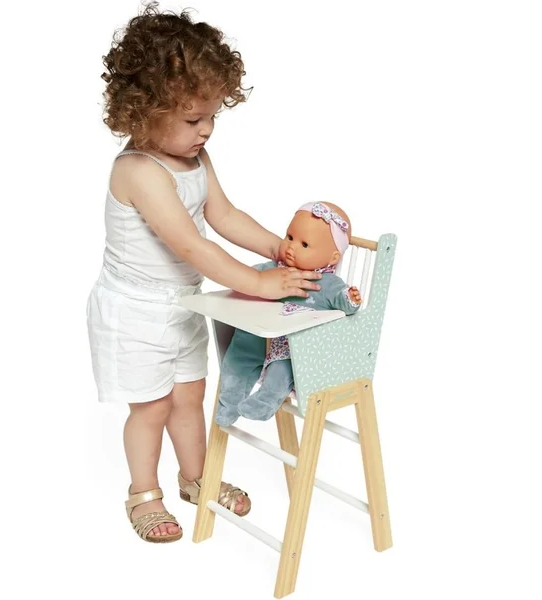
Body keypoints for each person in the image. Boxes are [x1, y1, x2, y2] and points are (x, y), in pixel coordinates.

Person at [86, 3, 322, 543]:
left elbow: (224, 215)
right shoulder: (138, 171)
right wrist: (258, 283)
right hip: (134, 312)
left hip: (183, 303)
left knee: (190, 397)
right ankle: (143, 493)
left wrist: (278, 249)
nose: (207, 130)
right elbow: (192, 245)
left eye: (213, 117)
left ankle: (197, 478)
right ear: (144, 112)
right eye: (194, 120)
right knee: (151, 407)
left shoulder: (195, 159)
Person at [216, 202, 362, 426]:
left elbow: (343, 303)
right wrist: (242, 281)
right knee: (238, 354)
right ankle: (229, 402)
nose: (291, 247)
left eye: (304, 244)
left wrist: (350, 298)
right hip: (261, 333)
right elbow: (250, 277)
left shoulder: (327, 283)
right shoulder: (276, 268)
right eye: (290, 237)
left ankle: (265, 402)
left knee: (282, 370)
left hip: (293, 347)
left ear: (333, 258)